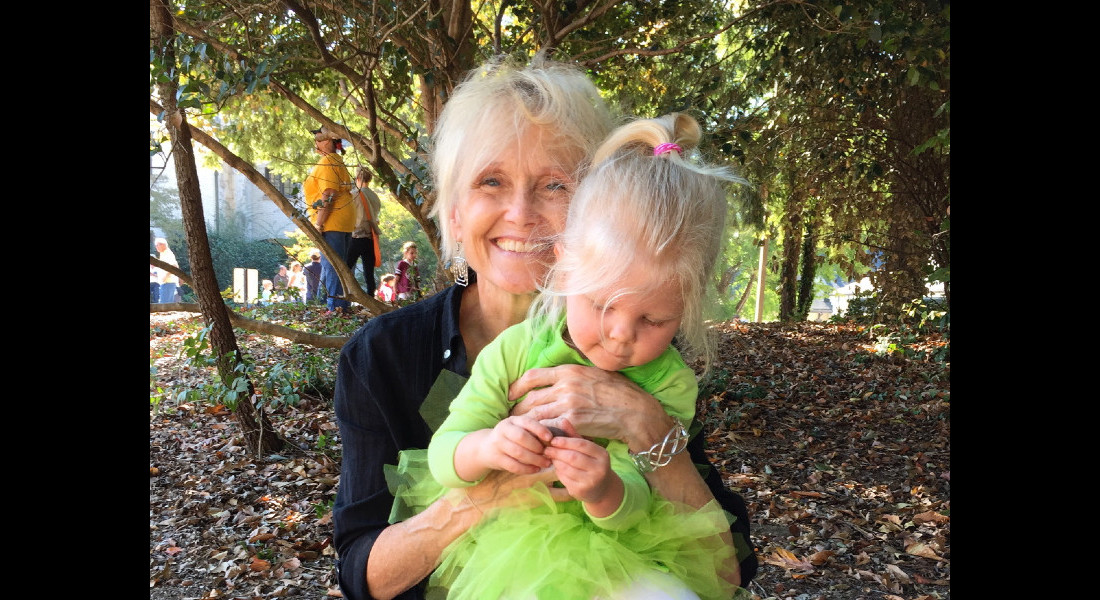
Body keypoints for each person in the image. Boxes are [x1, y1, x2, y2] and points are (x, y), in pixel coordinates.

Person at [332, 55, 756, 600]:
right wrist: (486, 492)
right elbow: (362, 575)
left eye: (555, 184)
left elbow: (724, 572)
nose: (520, 212)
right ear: (455, 214)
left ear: (598, 210)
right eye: (491, 181)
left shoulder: (639, 350)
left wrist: (646, 426)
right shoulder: (384, 356)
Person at [305, 125, 356, 313]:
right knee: (340, 264)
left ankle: (336, 309)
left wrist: (319, 223)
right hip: (343, 219)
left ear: (328, 140)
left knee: (333, 266)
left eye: (318, 139)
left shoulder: (328, 162)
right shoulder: (337, 160)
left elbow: (328, 194)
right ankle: (341, 306)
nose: (316, 143)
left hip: (332, 220)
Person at [347, 167, 383, 297]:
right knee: (369, 273)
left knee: (346, 268)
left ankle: (347, 296)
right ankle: (370, 299)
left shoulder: (354, 194)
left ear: (357, 178)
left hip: (356, 235)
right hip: (370, 238)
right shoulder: (375, 196)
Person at [155, 237, 179, 304]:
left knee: (164, 305)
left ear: (164, 245)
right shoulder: (163, 254)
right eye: (156, 245)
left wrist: (165, 276)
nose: (156, 247)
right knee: (165, 304)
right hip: (166, 282)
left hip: (168, 282)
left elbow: (174, 266)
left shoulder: (167, 253)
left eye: (158, 245)